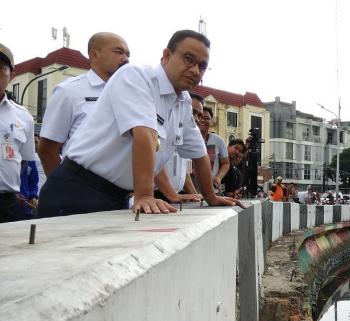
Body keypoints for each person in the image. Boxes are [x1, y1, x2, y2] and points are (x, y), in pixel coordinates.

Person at [38, 29, 242, 217]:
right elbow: (144, 134)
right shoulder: (137, 77)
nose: (195, 70)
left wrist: (210, 197)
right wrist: (144, 195)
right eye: (188, 59)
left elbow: (199, 152)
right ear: (167, 55)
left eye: (202, 66)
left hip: (117, 197)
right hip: (77, 189)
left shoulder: (183, 101)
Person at [38, 32, 130, 177]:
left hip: (119, 193)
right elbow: (47, 148)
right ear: (94, 55)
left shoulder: (128, 95)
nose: (126, 59)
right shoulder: (69, 91)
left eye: (128, 54)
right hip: (79, 190)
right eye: (119, 52)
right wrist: (61, 188)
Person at [0, 43, 36, 222]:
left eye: (0, 69)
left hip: (7, 204)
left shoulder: (23, 117)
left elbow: (23, 159)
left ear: (11, 76)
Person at [197, 106, 229, 190]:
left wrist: (218, 177)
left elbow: (226, 163)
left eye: (206, 118)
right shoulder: (186, 139)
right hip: (189, 191)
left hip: (212, 191)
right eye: (199, 117)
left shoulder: (219, 141)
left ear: (211, 121)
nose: (202, 120)